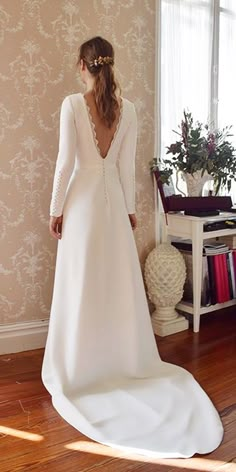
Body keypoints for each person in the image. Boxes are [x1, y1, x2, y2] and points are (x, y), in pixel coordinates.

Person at [42, 36, 223, 458]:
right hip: (111, 210)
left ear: (81, 64)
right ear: (110, 64)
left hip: (82, 205)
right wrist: (129, 212)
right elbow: (124, 169)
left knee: (81, 285)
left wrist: (55, 210)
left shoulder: (72, 105)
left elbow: (65, 164)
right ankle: (118, 360)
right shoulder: (131, 109)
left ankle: (79, 368)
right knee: (115, 287)